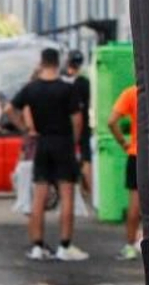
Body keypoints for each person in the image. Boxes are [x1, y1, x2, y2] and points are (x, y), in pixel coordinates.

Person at [7, 47, 87, 261]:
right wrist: (74, 141)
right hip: (63, 142)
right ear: (58, 62)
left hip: (42, 142)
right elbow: (77, 120)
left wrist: (24, 128)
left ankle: (37, 246)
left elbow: (9, 109)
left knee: (39, 196)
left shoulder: (31, 89)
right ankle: (65, 246)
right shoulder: (67, 89)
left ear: (42, 62)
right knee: (67, 194)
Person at [109, 81, 141, 259]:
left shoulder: (131, 93)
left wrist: (123, 143)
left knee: (134, 203)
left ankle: (130, 245)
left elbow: (111, 121)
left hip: (136, 154)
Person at [63, 49, 94, 213]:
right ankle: (90, 192)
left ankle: (85, 191)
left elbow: (75, 112)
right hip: (87, 125)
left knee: (81, 159)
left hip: (76, 126)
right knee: (86, 158)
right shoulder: (86, 81)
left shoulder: (72, 84)